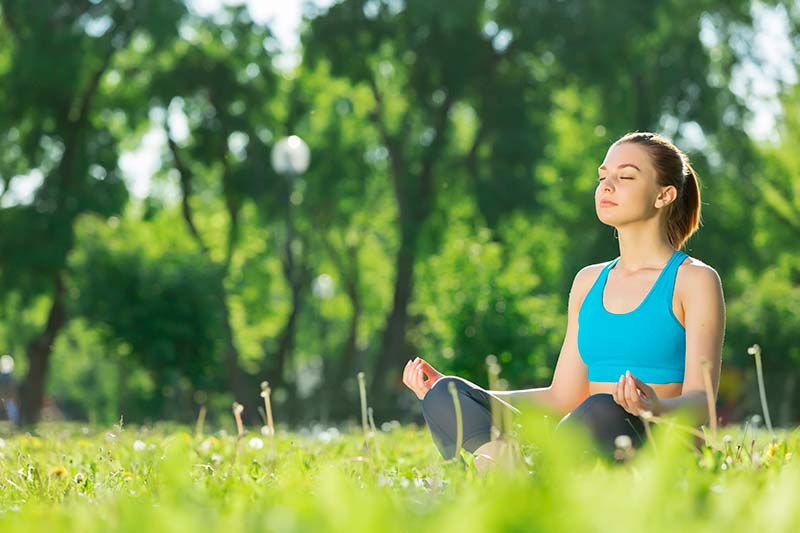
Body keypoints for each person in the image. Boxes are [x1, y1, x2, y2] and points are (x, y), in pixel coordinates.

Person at [402, 131, 726, 470]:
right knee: (448, 394)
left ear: (665, 195)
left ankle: (525, 479)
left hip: (657, 445)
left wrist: (655, 406)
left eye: (626, 176)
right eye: (603, 177)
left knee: (603, 407)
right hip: (582, 437)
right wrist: (468, 394)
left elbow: (702, 401)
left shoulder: (694, 280)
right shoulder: (588, 281)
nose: (607, 186)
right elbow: (562, 396)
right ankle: (503, 471)